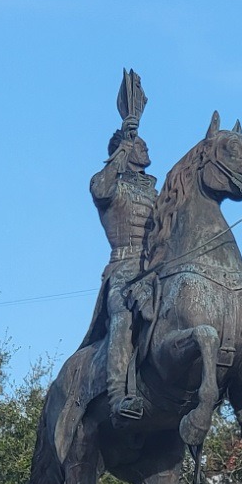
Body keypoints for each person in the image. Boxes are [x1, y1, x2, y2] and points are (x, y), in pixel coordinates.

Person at [82, 112, 157, 425]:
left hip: (155, 266)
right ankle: (116, 394)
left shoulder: (155, 191)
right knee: (123, 315)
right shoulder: (109, 185)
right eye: (139, 145)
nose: (146, 149)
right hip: (123, 267)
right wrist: (123, 146)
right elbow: (100, 189)